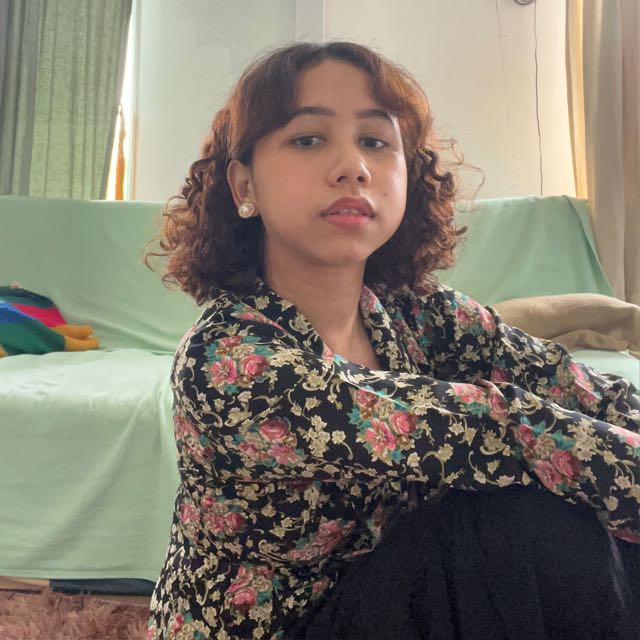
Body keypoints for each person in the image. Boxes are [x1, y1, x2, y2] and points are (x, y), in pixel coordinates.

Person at [145, 41, 640, 640]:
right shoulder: (227, 358)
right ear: (243, 184)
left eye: (376, 141)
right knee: (528, 515)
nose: (352, 166)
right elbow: (498, 428)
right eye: (308, 139)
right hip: (279, 628)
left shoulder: (412, 309)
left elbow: (565, 383)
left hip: (384, 593)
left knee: (582, 509)